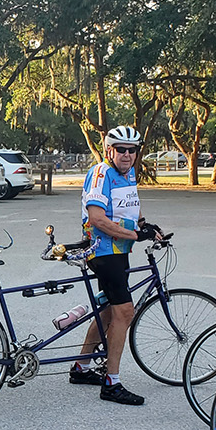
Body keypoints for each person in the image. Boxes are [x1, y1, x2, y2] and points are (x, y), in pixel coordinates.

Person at [72, 125, 162, 406]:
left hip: (119, 250)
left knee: (109, 310)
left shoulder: (128, 173)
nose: (126, 154)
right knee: (125, 311)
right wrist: (136, 234)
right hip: (103, 252)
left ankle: (82, 367)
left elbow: (127, 208)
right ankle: (112, 383)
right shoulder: (100, 174)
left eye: (131, 150)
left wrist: (145, 225)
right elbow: (98, 219)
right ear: (109, 150)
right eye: (120, 149)